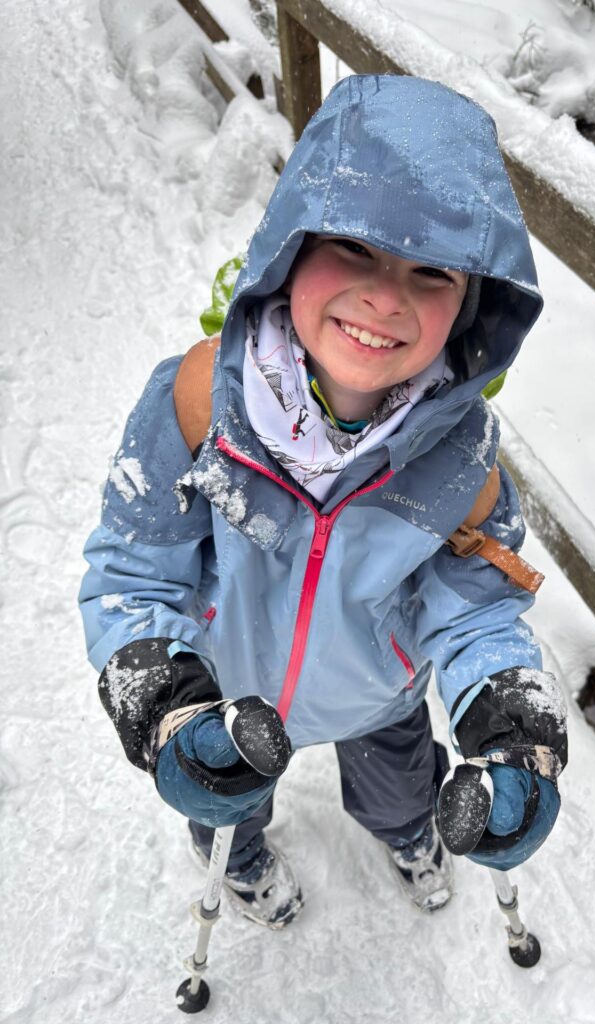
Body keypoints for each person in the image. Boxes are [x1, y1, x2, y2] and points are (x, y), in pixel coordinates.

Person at [79, 74, 567, 930]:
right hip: (224, 696)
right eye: (355, 248)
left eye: (432, 271)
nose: (387, 297)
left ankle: (409, 833)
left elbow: (476, 611)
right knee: (225, 797)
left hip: (379, 695)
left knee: (401, 789)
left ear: (470, 306)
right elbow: (133, 575)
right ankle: (239, 856)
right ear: (293, 245)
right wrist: (165, 704)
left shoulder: (461, 458)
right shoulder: (198, 406)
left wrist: (508, 722)